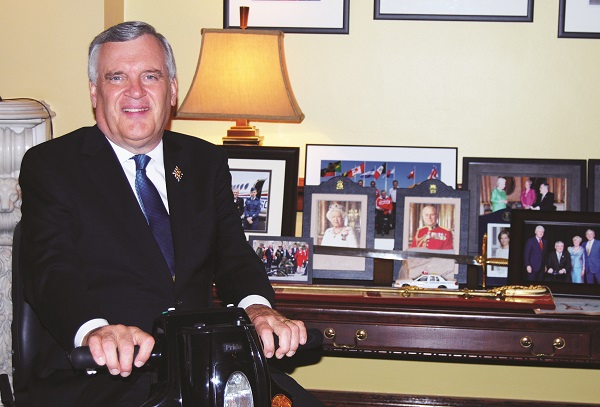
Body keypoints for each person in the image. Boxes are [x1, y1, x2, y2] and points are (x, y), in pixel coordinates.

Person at [18, 21, 314, 407]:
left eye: (150, 76)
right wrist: (94, 332)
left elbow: (233, 256)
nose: (135, 91)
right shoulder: (53, 165)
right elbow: (50, 270)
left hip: (203, 372)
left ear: (172, 90)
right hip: (101, 379)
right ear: (94, 91)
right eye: (117, 77)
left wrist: (257, 307)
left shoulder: (204, 161)